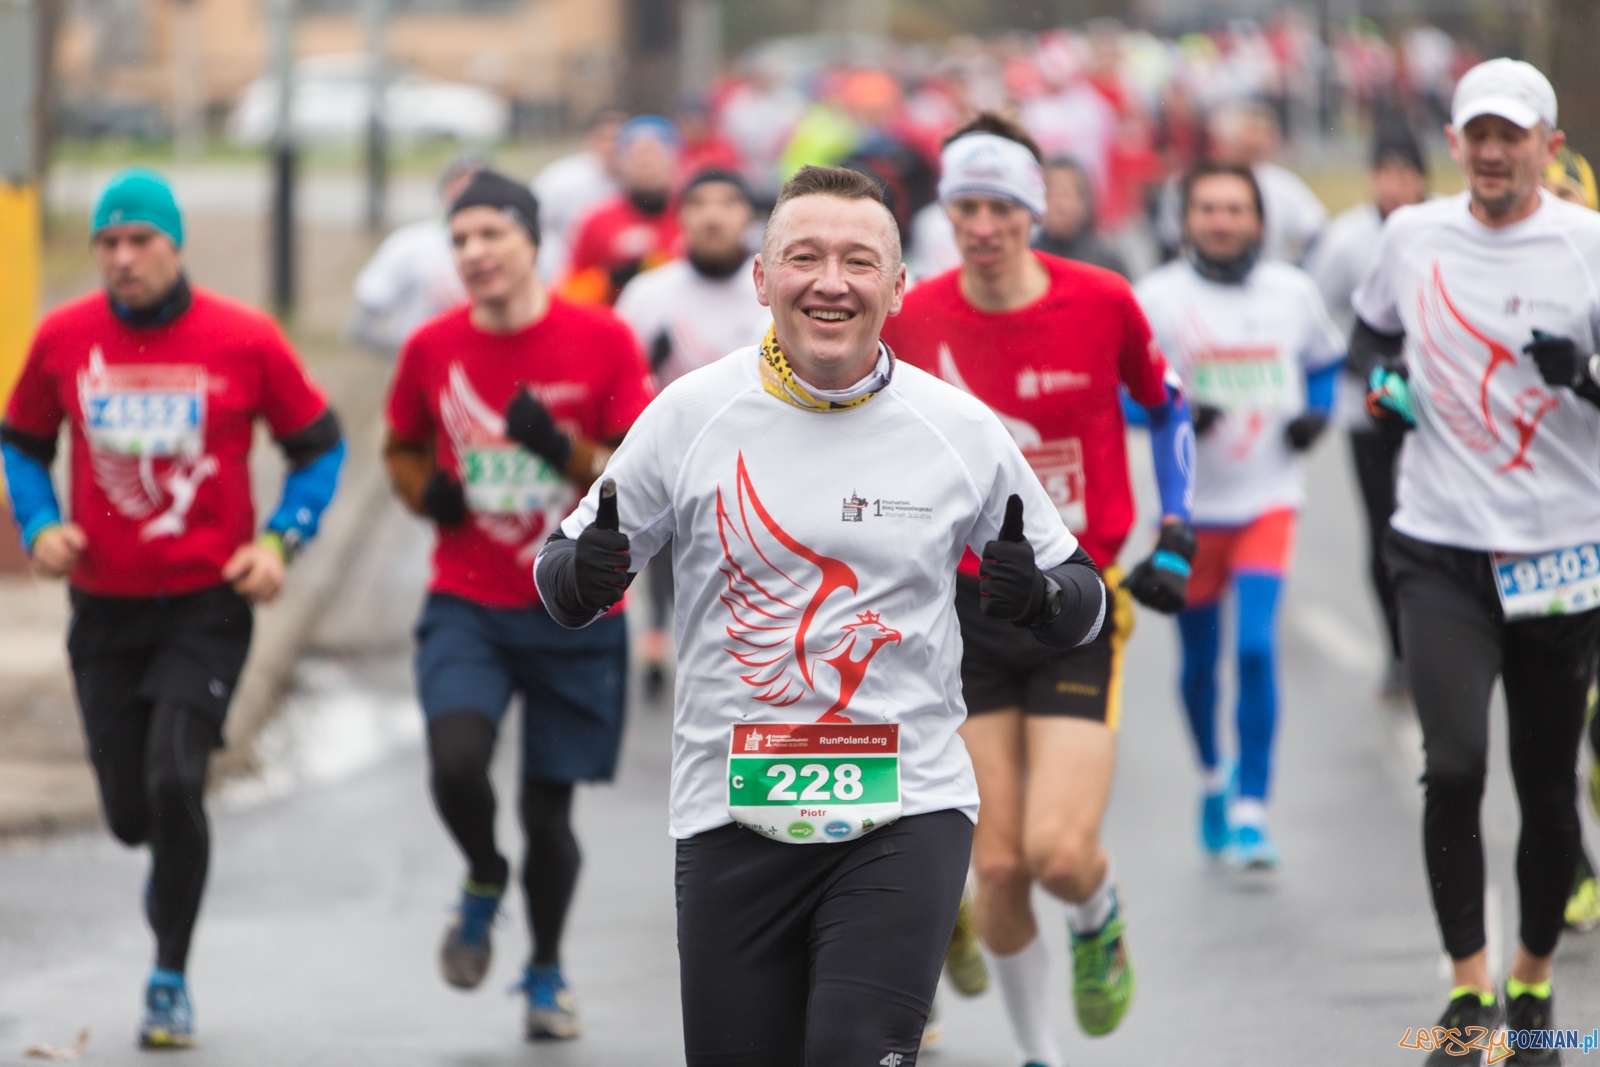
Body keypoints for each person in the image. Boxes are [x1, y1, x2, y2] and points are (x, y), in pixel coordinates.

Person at [536, 164, 1108, 1067]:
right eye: (804, 257)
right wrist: (586, 573)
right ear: (762, 280)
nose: (831, 282)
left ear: (897, 286)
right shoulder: (690, 414)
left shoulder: (954, 427)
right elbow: (561, 574)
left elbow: (1085, 597)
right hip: (729, 809)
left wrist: (1040, 596)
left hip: (906, 808)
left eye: (858, 260)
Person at [0, 167, 345, 1048]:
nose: (122, 258)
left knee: (173, 779)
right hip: (105, 607)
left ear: (174, 244)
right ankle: (167, 864)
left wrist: (280, 542)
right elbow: (23, 444)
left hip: (206, 604)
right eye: (107, 243)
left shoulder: (244, 337)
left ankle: (168, 975)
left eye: (139, 241)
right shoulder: (65, 338)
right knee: (127, 811)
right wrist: (39, 522)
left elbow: (318, 447)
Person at [882, 115, 1196, 1066]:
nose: (982, 225)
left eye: (1002, 207)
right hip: (963, 610)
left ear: (1035, 210)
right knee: (1003, 865)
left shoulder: (1101, 300)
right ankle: (1037, 1052)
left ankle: (1099, 913)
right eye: (965, 206)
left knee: (1060, 855)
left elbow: (1169, 401)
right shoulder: (916, 316)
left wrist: (1175, 528)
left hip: (1072, 599)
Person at [1352, 59, 1600, 1063]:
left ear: (1546, 145)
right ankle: (1467, 992)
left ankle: (1533, 980)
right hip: (1440, 543)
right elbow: (1369, 335)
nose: (1493, 152)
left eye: (1513, 135)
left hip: (1561, 553)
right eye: (1477, 135)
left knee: (1546, 786)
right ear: (1455, 145)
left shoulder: (1588, 246)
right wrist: (1382, 388)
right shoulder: (1410, 236)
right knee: (1453, 763)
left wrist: (1580, 377)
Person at [381, 170, 654, 1041]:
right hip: (469, 597)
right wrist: (431, 497)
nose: (475, 253)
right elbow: (400, 448)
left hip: (574, 607)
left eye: (491, 234)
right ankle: (482, 872)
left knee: (550, 811)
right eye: (459, 240)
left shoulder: (600, 337)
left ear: (534, 242)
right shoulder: (432, 347)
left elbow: (637, 473)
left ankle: (544, 968)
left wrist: (561, 450)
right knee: (456, 758)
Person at [1136, 161, 1344, 870]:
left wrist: (1316, 414)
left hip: (1268, 500)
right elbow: (1122, 395)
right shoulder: (1156, 298)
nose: (1222, 221)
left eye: (1235, 209)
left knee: (1254, 647)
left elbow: (1323, 361)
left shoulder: (1292, 292)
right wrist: (1171, 410)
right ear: (1185, 220)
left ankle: (1253, 808)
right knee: (1199, 665)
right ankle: (1211, 777)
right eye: (1208, 208)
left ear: (1259, 221)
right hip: (1190, 513)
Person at [613, 168, 772, 701]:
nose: (712, 215)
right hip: (671, 462)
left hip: (757, 468)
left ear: (748, 217)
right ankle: (658, 638)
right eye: (698, 203)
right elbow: (616, 390)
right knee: (663, 554)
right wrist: (643, 371)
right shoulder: (647, 294)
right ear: (680, 217)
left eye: (727, 202)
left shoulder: (772, 293)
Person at [1305, 120, 1430, 701]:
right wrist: (1349, 358)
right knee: (1384, 531)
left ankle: (1445, 643)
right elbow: (1315, 308)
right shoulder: (1347, 239)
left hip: (1436, 412)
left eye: (1407, 174)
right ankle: (1399, 651)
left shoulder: (1442, 231)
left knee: (1438, 529)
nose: (1396, 185)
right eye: (1386, 172)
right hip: (1368, 411)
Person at [1541, 146, 1600, 936]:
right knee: (1557, 718)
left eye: (1566, 196)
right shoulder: (1480, 280)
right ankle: (1574, 864)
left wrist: (1582, 374)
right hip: (1545, 534)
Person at [346, 152, 484, 356]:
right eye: (461, 183)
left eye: (480, 184)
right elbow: (359, 328)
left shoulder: (511, 249)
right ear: (445, 190)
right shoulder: (409, 245)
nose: (471, 192)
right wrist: (417, 355)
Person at [1155, 101, 1327, 265]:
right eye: (1246, 146)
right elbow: (1171, 238)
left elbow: (1316, 232)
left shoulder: (1284, 186)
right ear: (1224, 140)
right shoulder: (1189, 182)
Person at [561, 115, 683, 306]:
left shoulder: (695, 215)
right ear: (620, 162)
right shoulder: (597, 220)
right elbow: (567, 295)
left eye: (654, 152)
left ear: (674, 158)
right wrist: (611, 278)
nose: (646, 161)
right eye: (635, 153)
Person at [531, 110, 625, 283]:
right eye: (607, 139)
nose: (613, 146)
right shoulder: (562, 179)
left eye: (620, 140)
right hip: (561, 273)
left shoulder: (633, 181)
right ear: (590, 141)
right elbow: (532, 222)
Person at [1030, 155, 1130, 278]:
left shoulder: (1106, 262)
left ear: (1085, 200)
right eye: (1051, 193)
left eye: (1066, 193)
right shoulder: (1027, 259)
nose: (1059, 203)